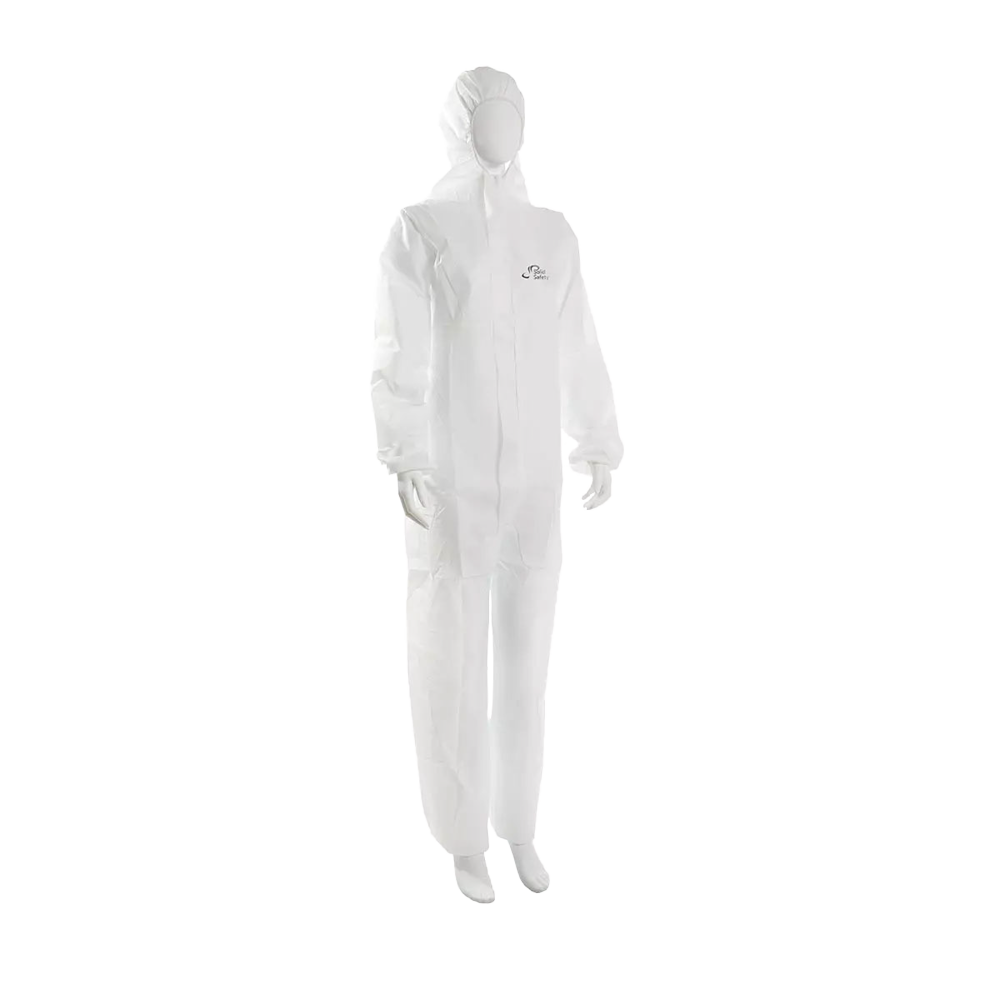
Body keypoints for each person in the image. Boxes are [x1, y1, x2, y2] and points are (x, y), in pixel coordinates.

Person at [371, 66, 623, 902]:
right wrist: (405, 453)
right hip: (455, 482)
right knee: (451, 658)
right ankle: (462, 836)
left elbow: (577, 345)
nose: (501, 131)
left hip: (533, 487)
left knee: (525, 660)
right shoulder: (423, 230)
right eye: (488, 116)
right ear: (460, 125)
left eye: (513, 116)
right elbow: (400, 351)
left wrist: (598, 439)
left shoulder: (552, 237)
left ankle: (519, 824)